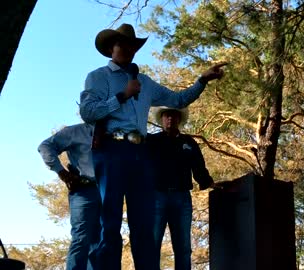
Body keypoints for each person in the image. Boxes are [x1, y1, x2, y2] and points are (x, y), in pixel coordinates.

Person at [79, 23, 226, 270]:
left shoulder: (145, 82)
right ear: (111, 48)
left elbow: (178, 100)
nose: (127, 49)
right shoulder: (98, 77)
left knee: (144, 225)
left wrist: (202, 80)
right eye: (121, 44)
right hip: (112, 151)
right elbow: (88, 112)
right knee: (109, 222)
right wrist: (121, 95)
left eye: (132, 46)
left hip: (141, 155)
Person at [148, 106, 218, 270]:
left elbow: (198, 167)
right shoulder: (152, 141)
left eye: (173, 115)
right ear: (162, 119)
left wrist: (209, 182)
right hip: (157, 197)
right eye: (166, 116)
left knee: (183, 247)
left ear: (179, 119)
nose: (170, 119)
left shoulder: (188, 142)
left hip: (182, 199)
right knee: (152, 244)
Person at [37, 123, 100, 270]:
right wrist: (62, 172)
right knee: (81, 238)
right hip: (84, 190)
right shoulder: (74, 132)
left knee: (102, 240)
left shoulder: (116, 130)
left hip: (109, 190)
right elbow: (45, 146)